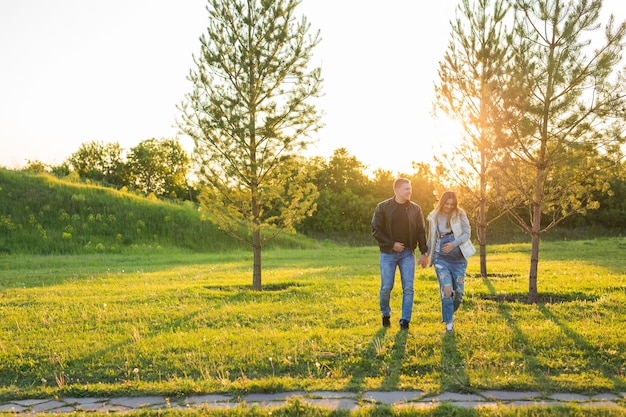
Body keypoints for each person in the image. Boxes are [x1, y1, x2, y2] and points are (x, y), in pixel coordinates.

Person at [371, 178, 428, 330]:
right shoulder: (383, 207)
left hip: (408, 253)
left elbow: (421, 231)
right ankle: (385, 314)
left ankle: (405, 321)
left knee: (408, 288)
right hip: (388, 253)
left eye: (410, 188)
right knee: (386, 287)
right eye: (406, 189)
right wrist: (392, 244)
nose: (409, 191)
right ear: (396, 190)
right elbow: (376, 230)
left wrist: (424, 252)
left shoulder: (416, 209)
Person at [425, 191, 476, 333]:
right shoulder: (434, 216)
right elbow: (431, 238)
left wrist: (453, 244)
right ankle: (449, 324)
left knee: (458, 294)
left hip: (459, 259)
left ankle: (449, 311)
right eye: (446, 203)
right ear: (442, 202)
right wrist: (425, 254)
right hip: (441, 259)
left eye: (451, 204)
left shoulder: (460, 214)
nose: (448, 206)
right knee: (447, 290)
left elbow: (467, 233)